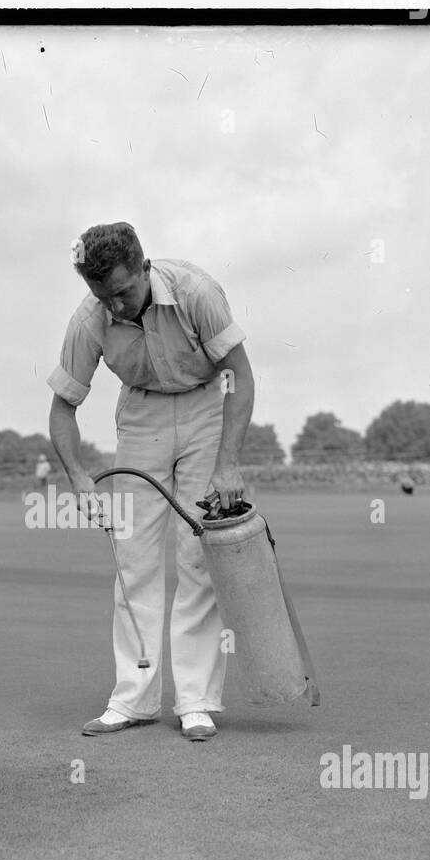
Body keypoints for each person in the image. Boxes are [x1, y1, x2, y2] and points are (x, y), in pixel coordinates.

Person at [46, 222, 254, 742]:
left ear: (144, 267)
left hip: (208, 405)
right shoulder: (89, 318)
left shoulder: (195, 294)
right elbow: (63, 406)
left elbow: (240, 377)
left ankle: (195, 702)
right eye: (102, 296)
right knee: (132, 557)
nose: (114, 306)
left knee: (197, 557)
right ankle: (132, 700)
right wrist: (78, 478)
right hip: (141, 417)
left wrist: (229, 462)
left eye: (123, 292)